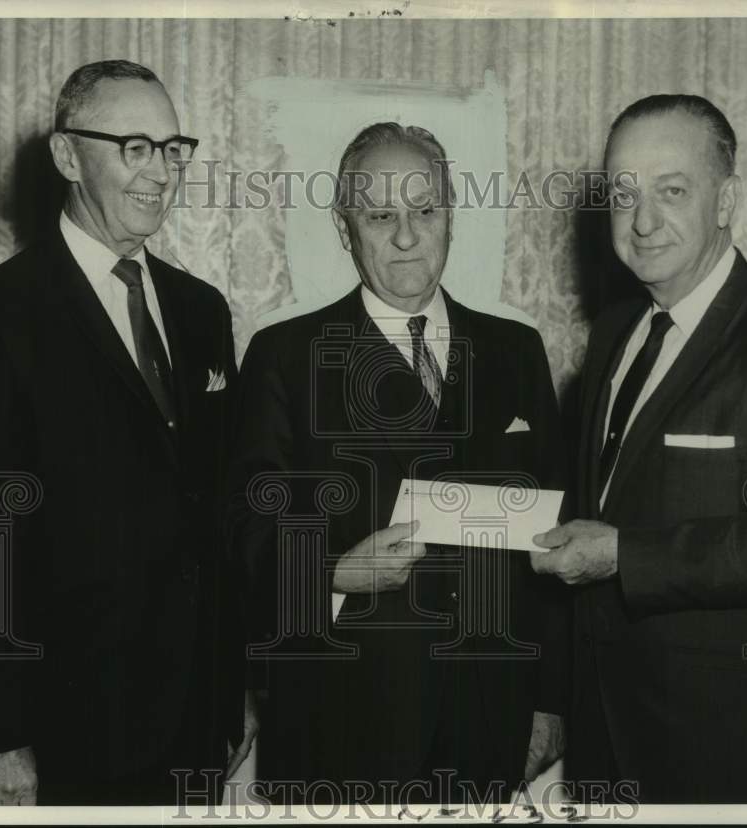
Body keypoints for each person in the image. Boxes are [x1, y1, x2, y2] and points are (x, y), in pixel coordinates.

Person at [0, 59, 254, 805]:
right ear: (68, 156)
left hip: (196, 724)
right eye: (133, 146)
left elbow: (217, 514)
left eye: (173, 149)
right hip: (62, 730)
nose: (161, 172)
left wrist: (234, 699)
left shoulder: (202, 312)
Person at [531, 94, 747, 803]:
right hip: (607, 751)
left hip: (733, 759)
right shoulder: (615, 335)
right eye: (624, 194)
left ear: (727, 200)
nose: (643, 221)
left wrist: (624, 554)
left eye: (672, 191)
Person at [228, 122, 567, 806]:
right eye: (381, 215)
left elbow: (555, 546)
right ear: (345, 228)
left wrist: (550, 703)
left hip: (488, 726)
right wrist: (333, 571)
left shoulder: (516, 351)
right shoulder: (284, 358)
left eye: (425, 211)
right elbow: (241, 545)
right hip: (339, 723)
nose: (407, 237)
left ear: (451, 216)